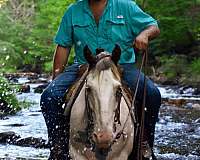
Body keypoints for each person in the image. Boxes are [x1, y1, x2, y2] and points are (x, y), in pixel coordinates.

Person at [40, 0, 161, 159]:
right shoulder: (73, 11)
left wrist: (144, 34)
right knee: (49, 96)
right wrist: (56, 79)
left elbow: (153, 27)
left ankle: (144, 144)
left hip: (121, 65)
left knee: (152, 94)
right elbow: (63, 46)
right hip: (84, 65)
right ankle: (58, 147)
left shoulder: (126, 7)